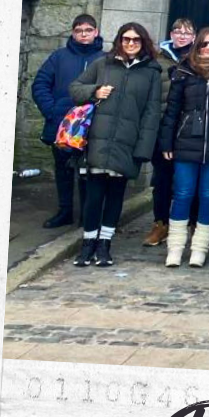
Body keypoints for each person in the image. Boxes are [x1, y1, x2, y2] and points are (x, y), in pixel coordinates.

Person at [69, 22, 163, 267]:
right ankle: (88, 243)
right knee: (93, 196)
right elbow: (75, 89)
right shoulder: (103, 64)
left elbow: (152, 113)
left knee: (115, 196)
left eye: (136, 40)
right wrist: (95, 91)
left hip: (126, 143)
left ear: (143, 42)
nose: (130, 43)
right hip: (98, 140)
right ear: (120, 41)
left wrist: (142, 150)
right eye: (126, 39)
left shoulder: (152, 72)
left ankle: (104, 244)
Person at [159, 27, 209, 268]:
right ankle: (175, 247)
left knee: (208, 195)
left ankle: (200, 247)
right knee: (183, 194)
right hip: (186, 142)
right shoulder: (184, 71)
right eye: (204, 44)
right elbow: (172, 109)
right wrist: (166, 141)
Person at [30, 13, 105, 228]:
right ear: (73, 33)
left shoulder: (105, 59)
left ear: (96, 32)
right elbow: (40, 84)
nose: (84, 34)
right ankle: (65, 211)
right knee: (63, 169)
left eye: (88, 30)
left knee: (87, 171)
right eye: (79, 31)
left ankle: (87, 216)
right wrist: (52, 111)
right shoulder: (59, 57)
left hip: (91, 125)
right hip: (61, 124)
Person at [144, 16, 196, 247]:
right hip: (163, 127)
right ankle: (161, 223)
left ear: (193, 36)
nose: (182, 36)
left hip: (189, 129)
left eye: (187, 32)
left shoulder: (199, 59)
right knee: (162, 180)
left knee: (191, 181)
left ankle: (192, 224)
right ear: (171, 34)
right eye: (178, 31)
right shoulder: (157, 60)